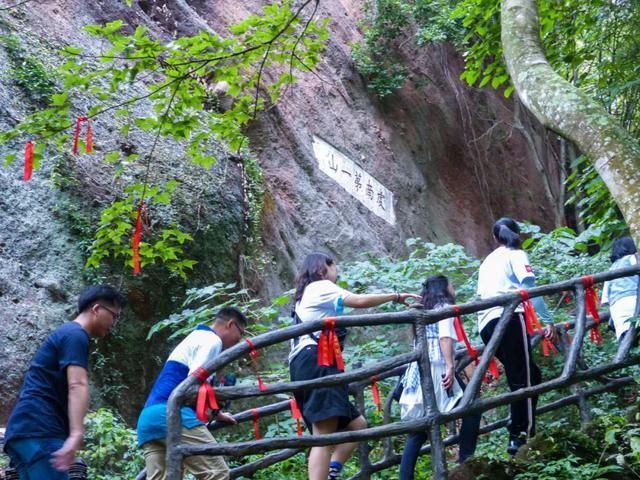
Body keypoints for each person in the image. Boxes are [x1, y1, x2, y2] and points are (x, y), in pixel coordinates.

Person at [289, 252, 420, 480]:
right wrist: (395, 296)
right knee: (322, 436)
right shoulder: (320, 286)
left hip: (309, 363)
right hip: (315, 361)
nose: (336, 272)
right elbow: (358, 301)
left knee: (358, 424)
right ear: (323, 268)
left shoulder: (305, 295)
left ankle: (332, 471)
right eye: (334, 266)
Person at [3, 285, 127, 480]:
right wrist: (77, 433)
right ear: (96, 309)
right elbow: (77, 384)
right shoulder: (75, 335)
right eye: (114, 315)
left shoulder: (66, 334)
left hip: (24, 431)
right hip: (41, 430)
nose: (114, 322)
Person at [136, 307, 247, 480]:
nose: (237, 342)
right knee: (217, 473)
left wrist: (216, 414)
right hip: (171, 414)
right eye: (239, 335)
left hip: (148, 419)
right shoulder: (212, 340)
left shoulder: (196, 337)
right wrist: (216, 407)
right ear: (231, 324)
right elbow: (193, 385)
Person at [476, 217, 557, 455]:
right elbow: (530, 288)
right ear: (516, 234)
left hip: (486, 324)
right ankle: (521, 437)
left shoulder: (488, 261)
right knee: (523, 379)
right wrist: (548, 319)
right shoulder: (516, 254)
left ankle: (518, 429)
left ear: (495, 238)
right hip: (509, 319)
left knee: (529, 374)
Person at [399, 275, 481, 479]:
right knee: (472, 407)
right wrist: (451, 366)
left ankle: (405, 477)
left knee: (418, 431)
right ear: (443, 288)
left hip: (417, 374)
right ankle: (466, 460)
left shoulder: (425, 310)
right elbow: (445, 337)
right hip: (437, 370)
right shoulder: (444, 307)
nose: (453, 287)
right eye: (451, 284)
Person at [602, 236, 639, 342]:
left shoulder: (611, 269)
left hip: (616, 308)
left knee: (626, 340)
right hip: (633, 300)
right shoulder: (633, 258)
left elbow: (605, 299)